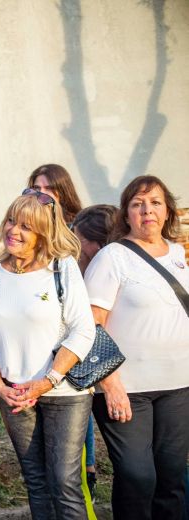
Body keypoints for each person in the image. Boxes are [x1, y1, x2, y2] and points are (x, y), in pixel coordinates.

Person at [0, 190, 95, 519]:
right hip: (13, 394)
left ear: (43, 232)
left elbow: (84, 330)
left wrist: (48, 380)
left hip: (64, 391)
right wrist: (0, 387)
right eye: (11, 221)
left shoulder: (62, 268)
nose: (14, 230)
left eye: (26, 226)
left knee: (64, 481)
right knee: (36, 481)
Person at [84, 175, 189, 520]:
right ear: (126, 214)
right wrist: (110, 385)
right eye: (137, 204)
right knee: (137, 476)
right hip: (128, 389)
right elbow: (91, 325)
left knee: (172, 477)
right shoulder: (112, 257)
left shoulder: (177, 254)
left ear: (168, 211)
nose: (147, 210)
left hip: (178, 385)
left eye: (155, 202)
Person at [71, 203, 117, 500]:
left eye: (78, 241)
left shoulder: (100, 275)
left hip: (112, 381)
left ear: (97, 245)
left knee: (138, 466)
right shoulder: (85, 272)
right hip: (103, 381)